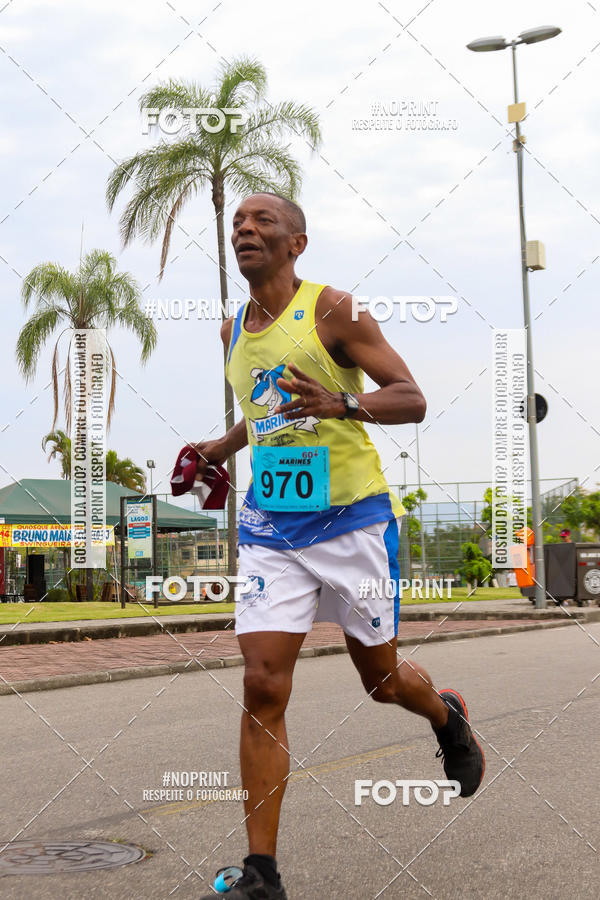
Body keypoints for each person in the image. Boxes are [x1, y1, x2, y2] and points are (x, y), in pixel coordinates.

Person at [196, 193, 485, 899]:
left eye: (263, 221)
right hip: (272, 529)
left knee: (382, 682)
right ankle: (261, 874)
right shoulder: (233, 325)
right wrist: (222, 446)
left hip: (353, 521)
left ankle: (447, 718)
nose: (246, 230)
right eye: (238, 223)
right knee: (262, 684)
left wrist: (344, 402)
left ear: (297, 242)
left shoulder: (334, 311)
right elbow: (264, 409)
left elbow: (410, 397)